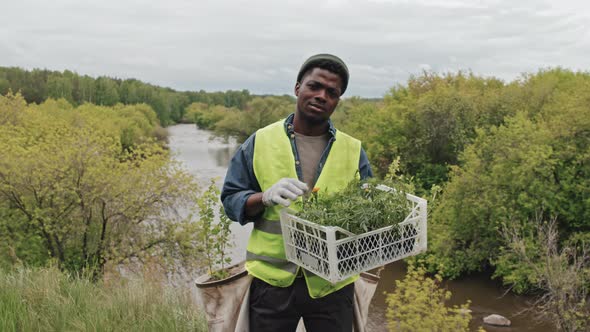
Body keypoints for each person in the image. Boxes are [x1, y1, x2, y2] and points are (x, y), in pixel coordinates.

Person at [221, 53, 373, 332]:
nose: (321, 95)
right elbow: (231, 200)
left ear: (338, 101)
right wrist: (263, 197)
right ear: (297, 88)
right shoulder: (260, 141)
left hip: (332, 284)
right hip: (272, 282)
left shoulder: (353, 150)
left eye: (331, 92)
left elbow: (370, 213)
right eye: (314, 86)